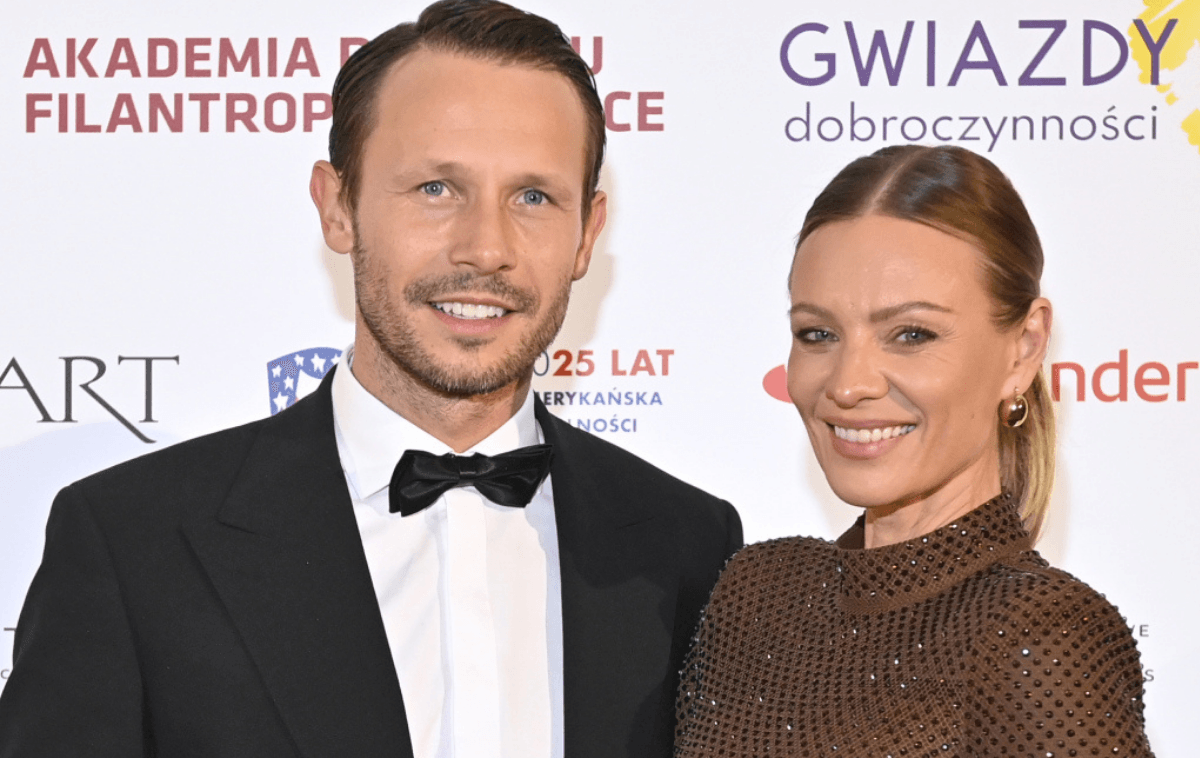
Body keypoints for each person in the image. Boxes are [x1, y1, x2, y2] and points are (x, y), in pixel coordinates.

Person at [0, 2, 742, 756]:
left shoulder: (689, 546)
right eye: (436, 189)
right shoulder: (133, 544)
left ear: (586, 235)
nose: (486, 248)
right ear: (338, 208)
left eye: (533, 197)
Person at [675, 145, 1153, 757]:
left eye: (911, 334)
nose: (848, 384)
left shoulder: (1042, 634)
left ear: (1025, 347)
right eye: (817, 334)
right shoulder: (758, 594)